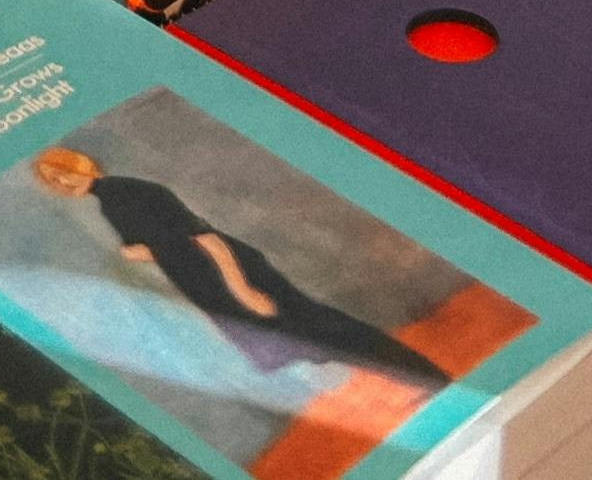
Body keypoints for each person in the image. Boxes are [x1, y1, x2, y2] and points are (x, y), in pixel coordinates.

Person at [31, 146, 437, 396]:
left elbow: (202, 237)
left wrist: (240, 289)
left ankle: (425, 376)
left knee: (321, 328)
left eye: (63, 171)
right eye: (54, 179)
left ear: (81, 165)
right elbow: (169, 245)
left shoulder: (124, 195)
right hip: (213, 280)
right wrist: (143, 251)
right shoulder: (113, 198)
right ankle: (420, 378)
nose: (63, 182)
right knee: (313, 334)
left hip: (228, 273)